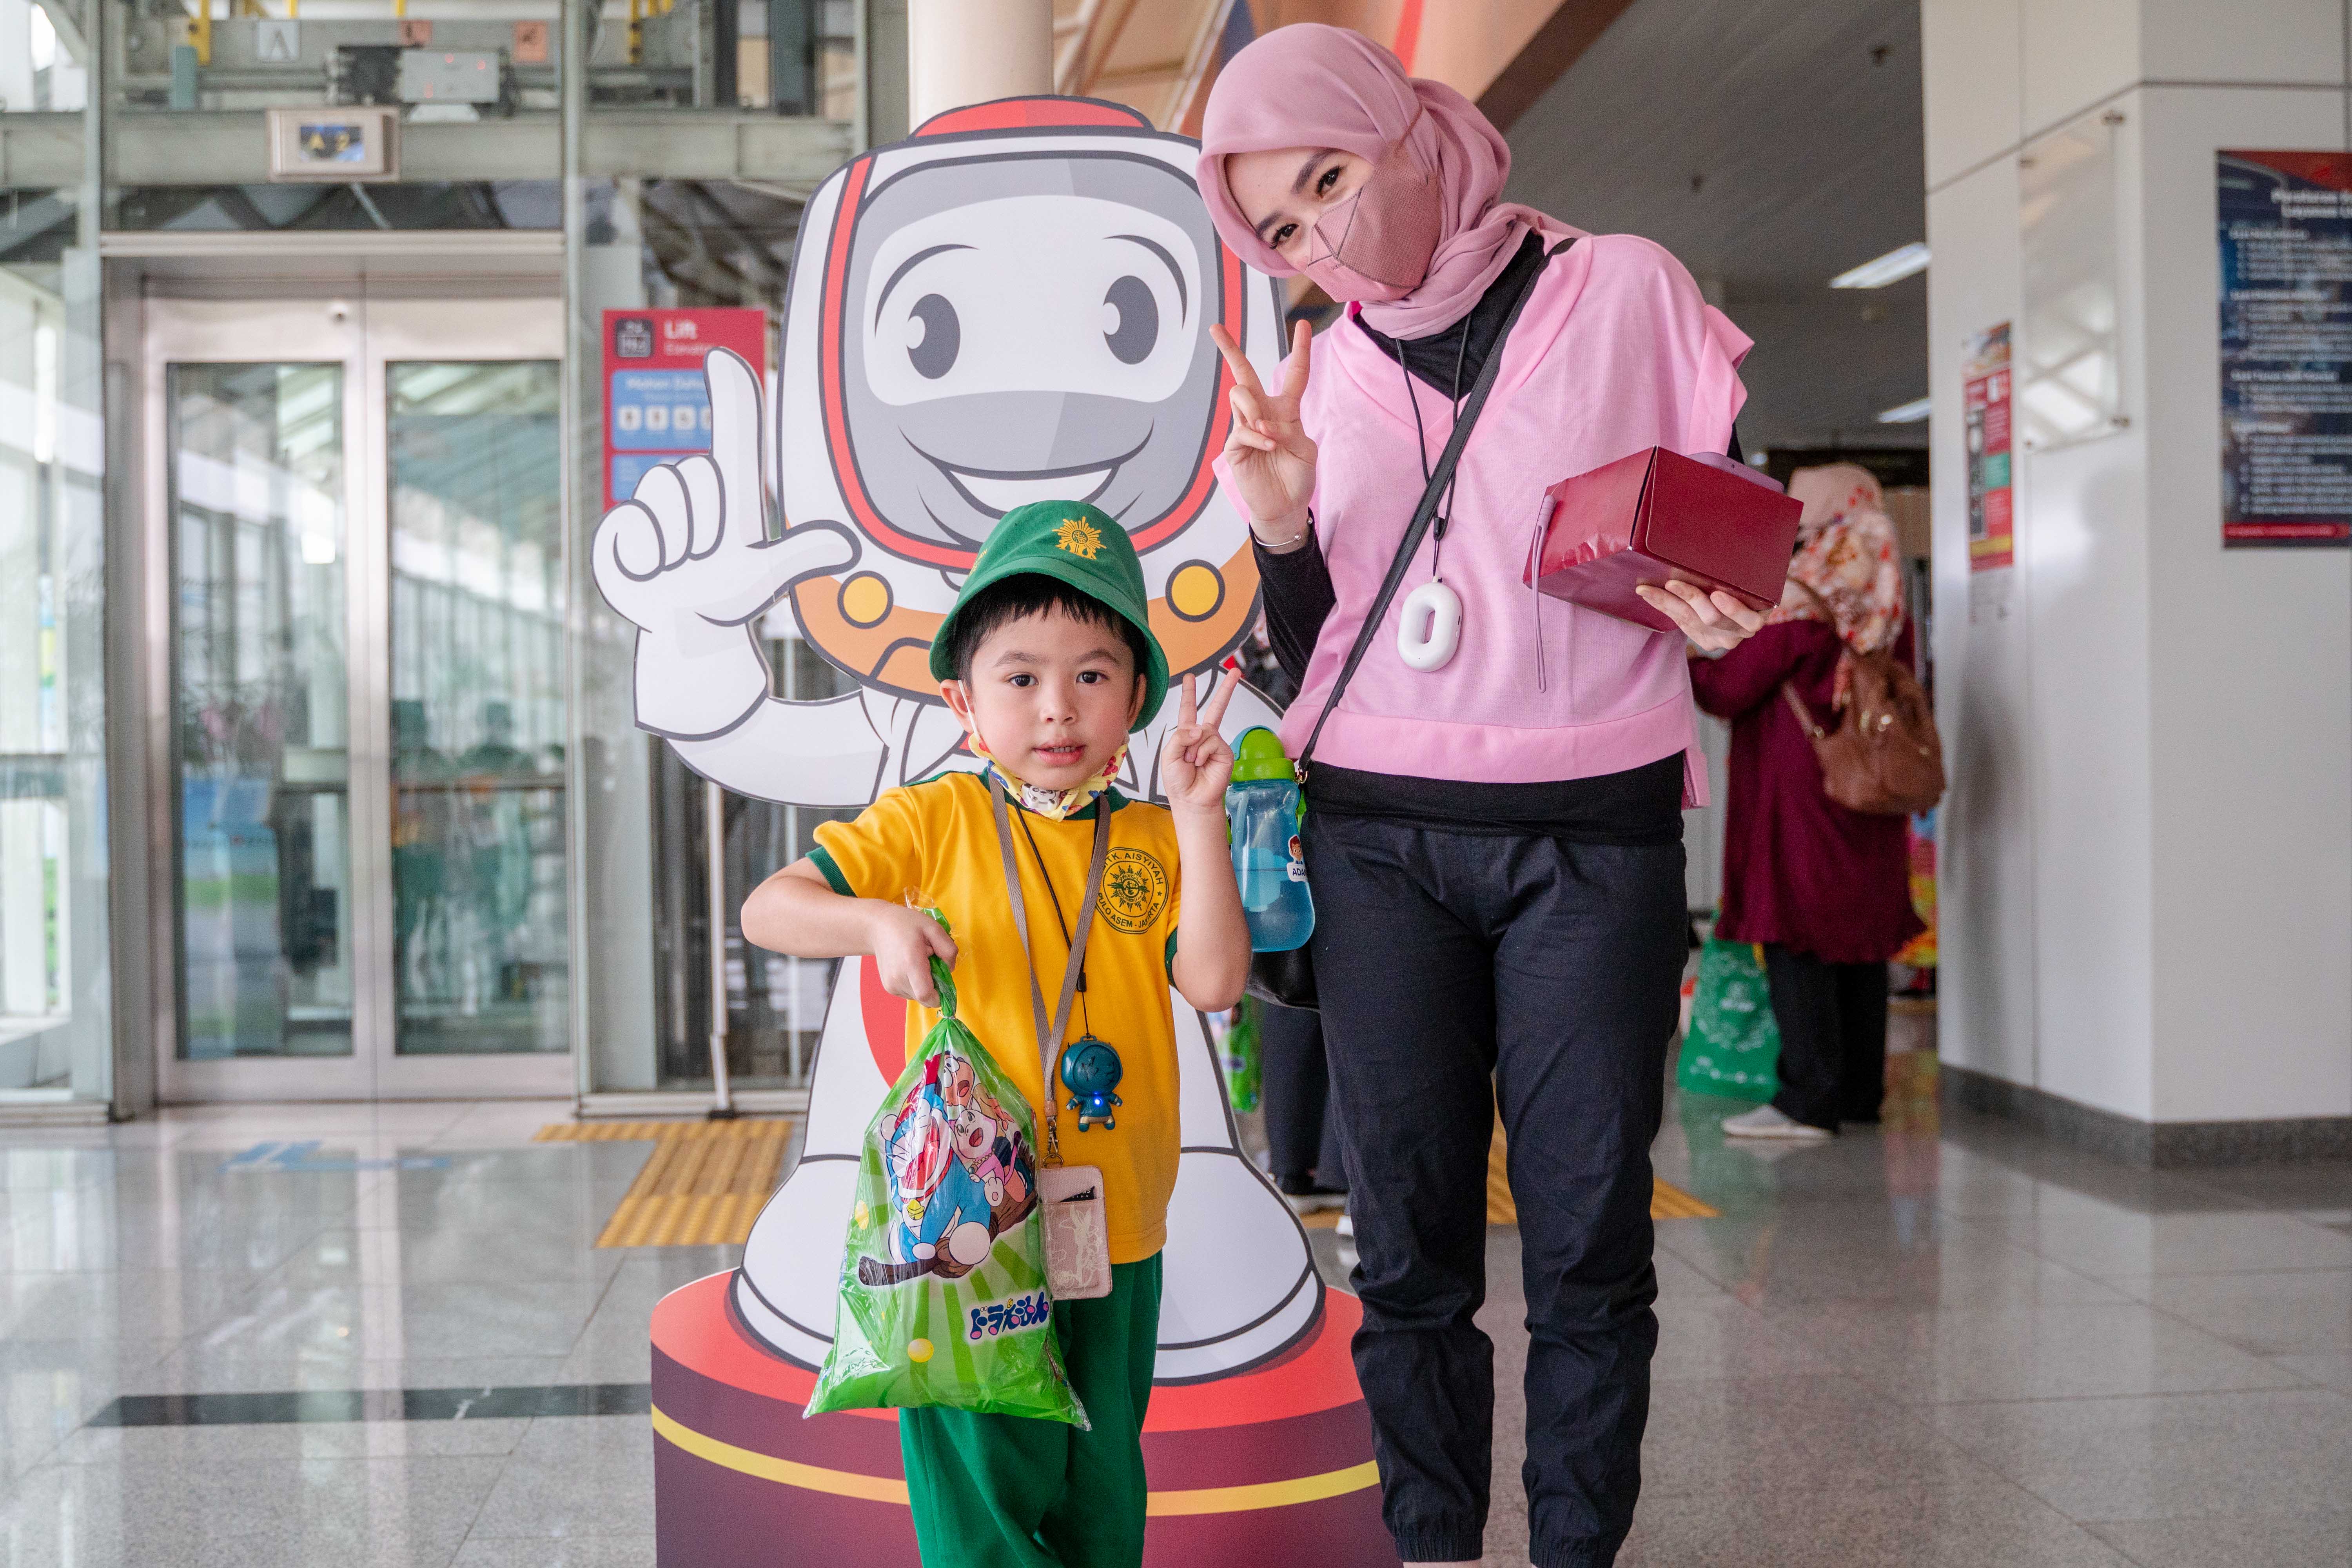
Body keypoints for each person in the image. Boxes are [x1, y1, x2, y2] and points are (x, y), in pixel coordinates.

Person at [1194, 25, 1764, 1568]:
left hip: (1595, 829)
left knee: (1591, 1237)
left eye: (1331, 179)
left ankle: (1578, 1546)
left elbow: (1724, 523)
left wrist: (1728, 605)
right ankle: (1436, 1543)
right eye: (1287, 226)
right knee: (1407, 1244)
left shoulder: (1623, 289)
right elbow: (1316, 660)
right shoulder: (1323, 374)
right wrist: (1280, 521)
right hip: (1379, 840)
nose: (1327, 236)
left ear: (1412, 130)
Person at [738, 500, 1251, 1568]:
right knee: (982, 1507)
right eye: (1021, 677)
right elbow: (770, 908)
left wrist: (1202, 815)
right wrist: (875, 921)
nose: (1058, 708)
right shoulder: (931, 821)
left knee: (1101, 1495)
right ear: (962, 700)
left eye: (1093, 674)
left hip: (1113, 1228)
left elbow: (1212, 979)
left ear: (1137, 698)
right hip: (961, 1232)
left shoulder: (1156, 836)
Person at [1690, 463, 1924, 1140]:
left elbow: (1728, 688)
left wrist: (1690, 654)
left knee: (1797, 936)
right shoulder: (1886, 598)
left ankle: (1807, 1099)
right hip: (1869, 793)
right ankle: (1858, 1093)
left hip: (1800, 798)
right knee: (1859, 942)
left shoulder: (1803, 599)